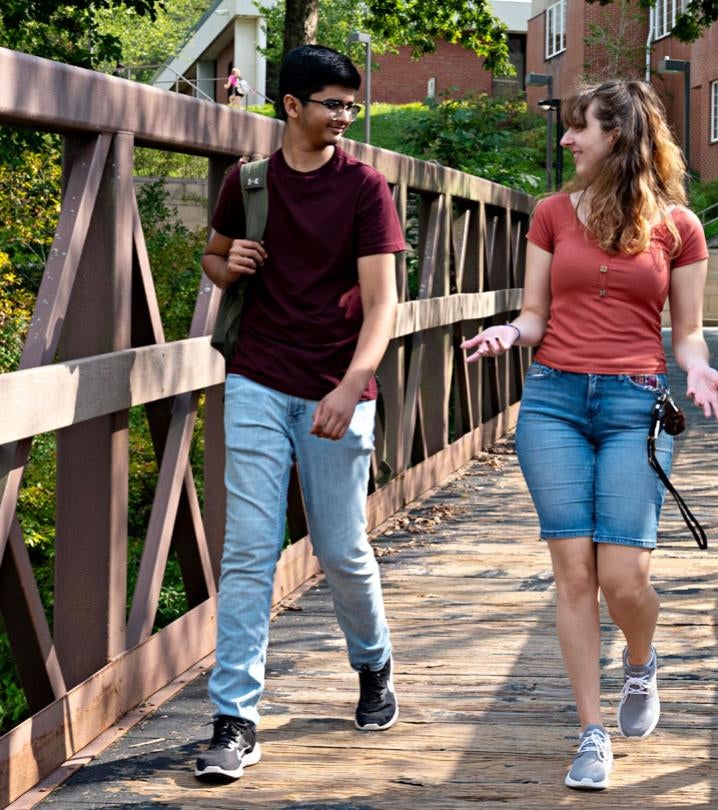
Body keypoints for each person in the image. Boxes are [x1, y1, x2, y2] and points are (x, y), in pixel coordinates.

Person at [462, 80, 718, 790]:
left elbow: (689, 335)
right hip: (552, 401)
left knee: (624, 576)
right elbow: (532, 314)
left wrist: (698, 370)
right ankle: (589, 733)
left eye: (576, 127)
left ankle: (640, 664)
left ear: (613, 134)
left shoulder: (678, 228)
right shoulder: (552, 214)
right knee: (574, 574)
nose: (564, 140)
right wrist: (505, 333)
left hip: (631, 406)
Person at [194, 45, 405, 783]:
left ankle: (373, 663)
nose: (344, 117)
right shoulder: (247, 182)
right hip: (255, 377)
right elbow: (214, 257)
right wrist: (231, 264)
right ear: (290, 105)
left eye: (351, 105)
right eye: (331, 104)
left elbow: (383, 305)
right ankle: (234, 719)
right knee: (250, 550)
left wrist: (351, 386)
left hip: (335, 387)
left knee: (341, 549)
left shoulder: (363, 189)